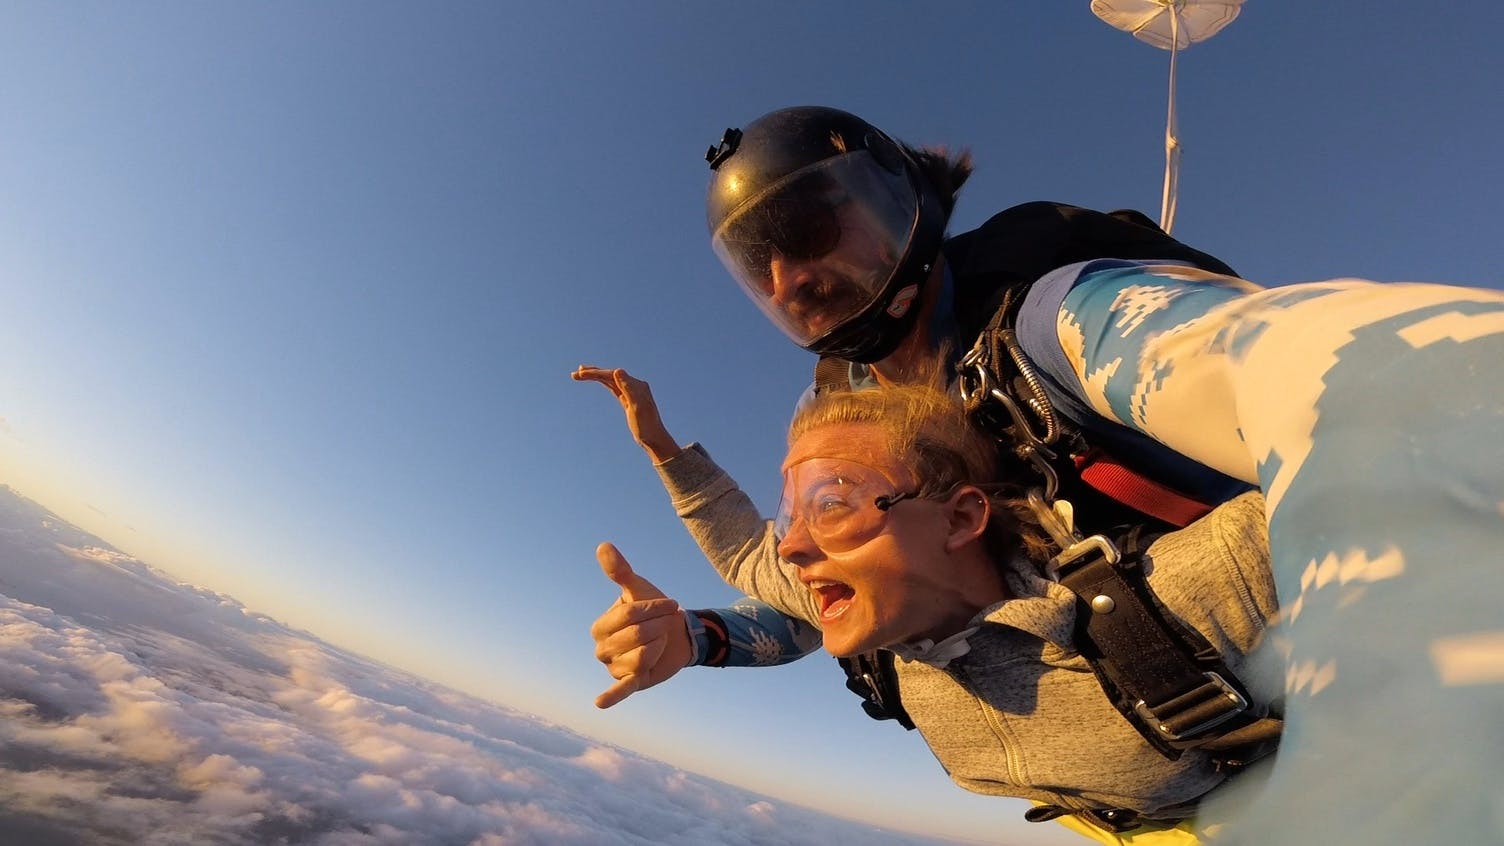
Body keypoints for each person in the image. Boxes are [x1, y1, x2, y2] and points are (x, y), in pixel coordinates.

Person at [591, 105, 1504, 845]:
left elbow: (1291, 367)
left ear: (892, 202)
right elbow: (820, 595)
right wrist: (702, 637)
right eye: (764, 265)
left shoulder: (1057, 319)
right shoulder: (844, 418)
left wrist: (1435, 387)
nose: (790, 276)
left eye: (810, 228)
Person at [582, 367, 1278, 843]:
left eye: (833, 505)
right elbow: (744, 552)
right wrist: (660, 447)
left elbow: (1349, 506)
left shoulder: (1172, 599)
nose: (792, 546)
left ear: (959, 518)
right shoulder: (889, 614)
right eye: (793, 514)